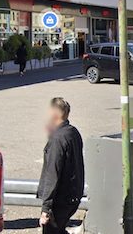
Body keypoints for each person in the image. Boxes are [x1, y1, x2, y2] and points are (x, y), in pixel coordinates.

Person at [36, 98, 85, 234]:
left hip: (60, 199)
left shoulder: (57, 139)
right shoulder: (73, 132)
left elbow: (53, 173)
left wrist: (46, 209)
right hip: (72, 196)